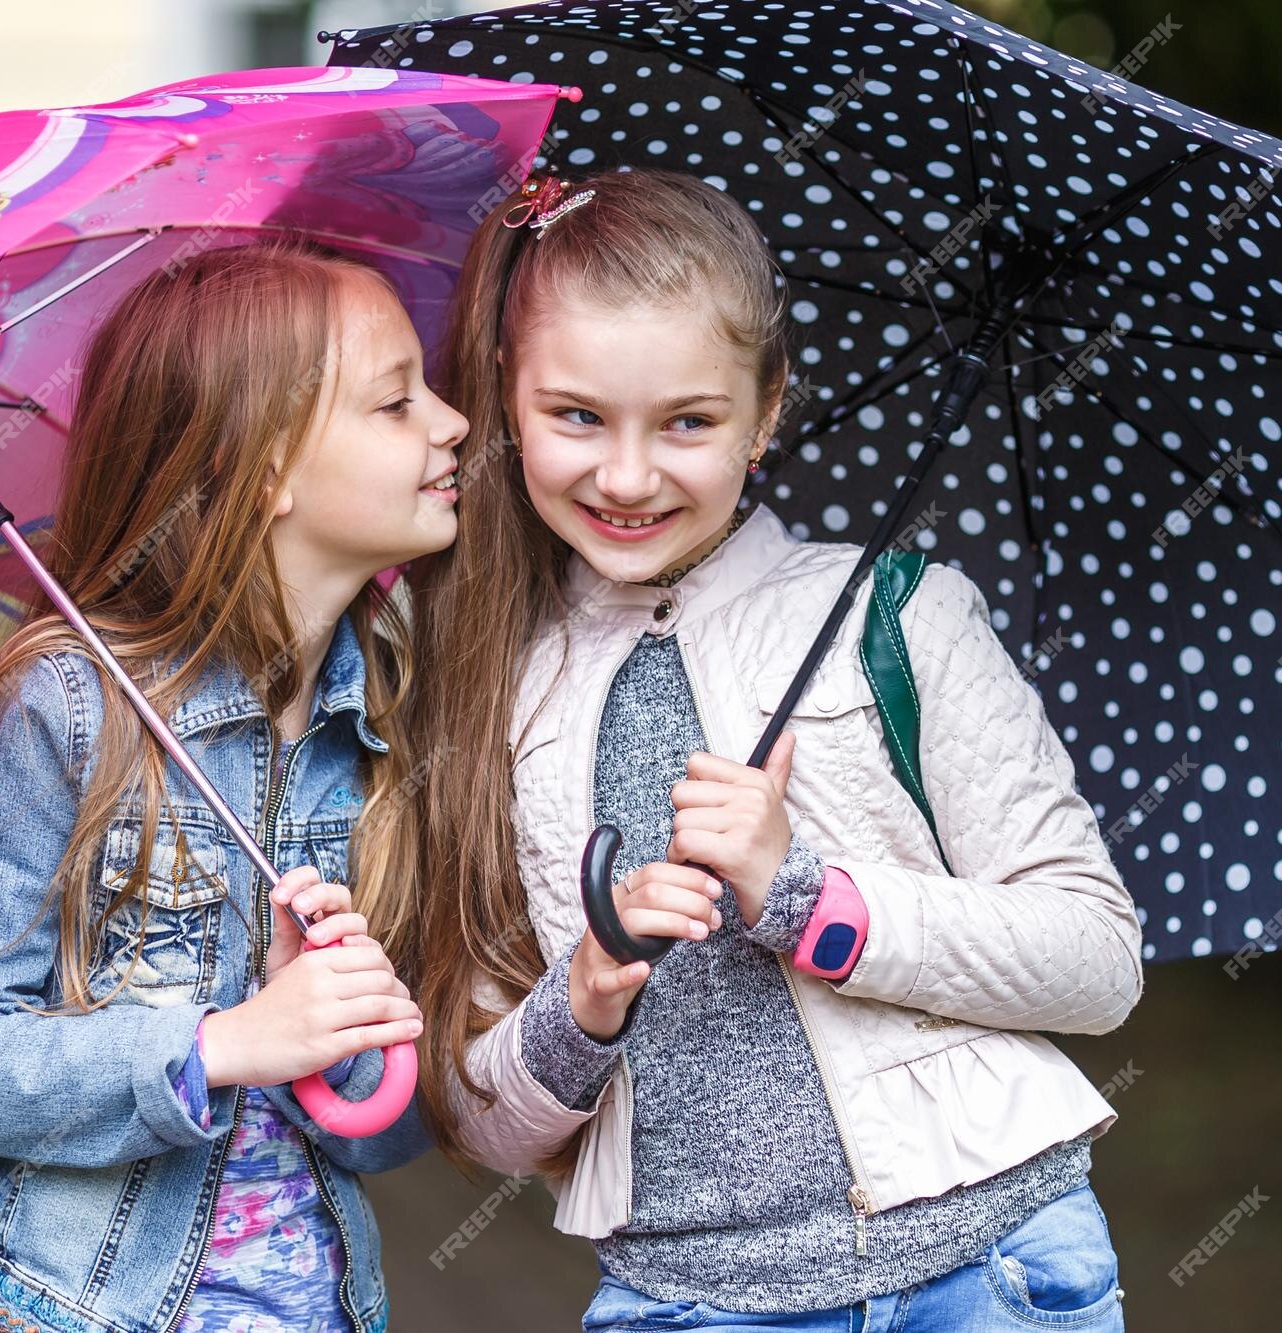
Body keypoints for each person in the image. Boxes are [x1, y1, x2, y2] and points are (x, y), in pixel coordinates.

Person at [409, 166, 1144, 1331]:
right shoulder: (482, 690)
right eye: (576, 416)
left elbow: (1098, 963)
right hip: (684, 1301)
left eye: (689, 422)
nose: (627, 476)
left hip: (986, 1269)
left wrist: (801, 894)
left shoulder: (899, 616)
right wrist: (584, 1000)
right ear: (505, 394)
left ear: (768, 409)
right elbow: (481, 1117)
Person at [0, 237, 467, 1332]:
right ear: (263, 470)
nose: (453, 423)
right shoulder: (66, 708)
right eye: (395, 404)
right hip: (73, 1304)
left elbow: (381, 1137)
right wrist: (221, 1042)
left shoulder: (385, 719)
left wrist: (347, 1029)